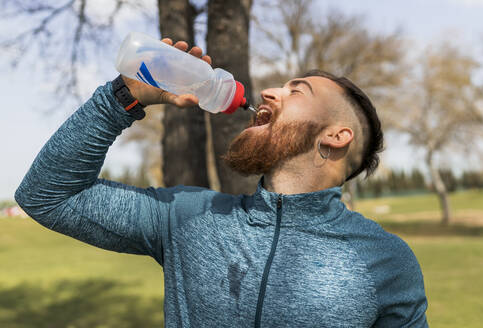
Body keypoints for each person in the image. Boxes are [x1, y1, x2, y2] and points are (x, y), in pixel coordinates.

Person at [15, 38, 428, 328]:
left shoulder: (387, 262)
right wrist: (124, 97)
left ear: (336, 136)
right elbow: (48, 195)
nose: (268, 92)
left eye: (295, 91)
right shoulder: (189, 217)